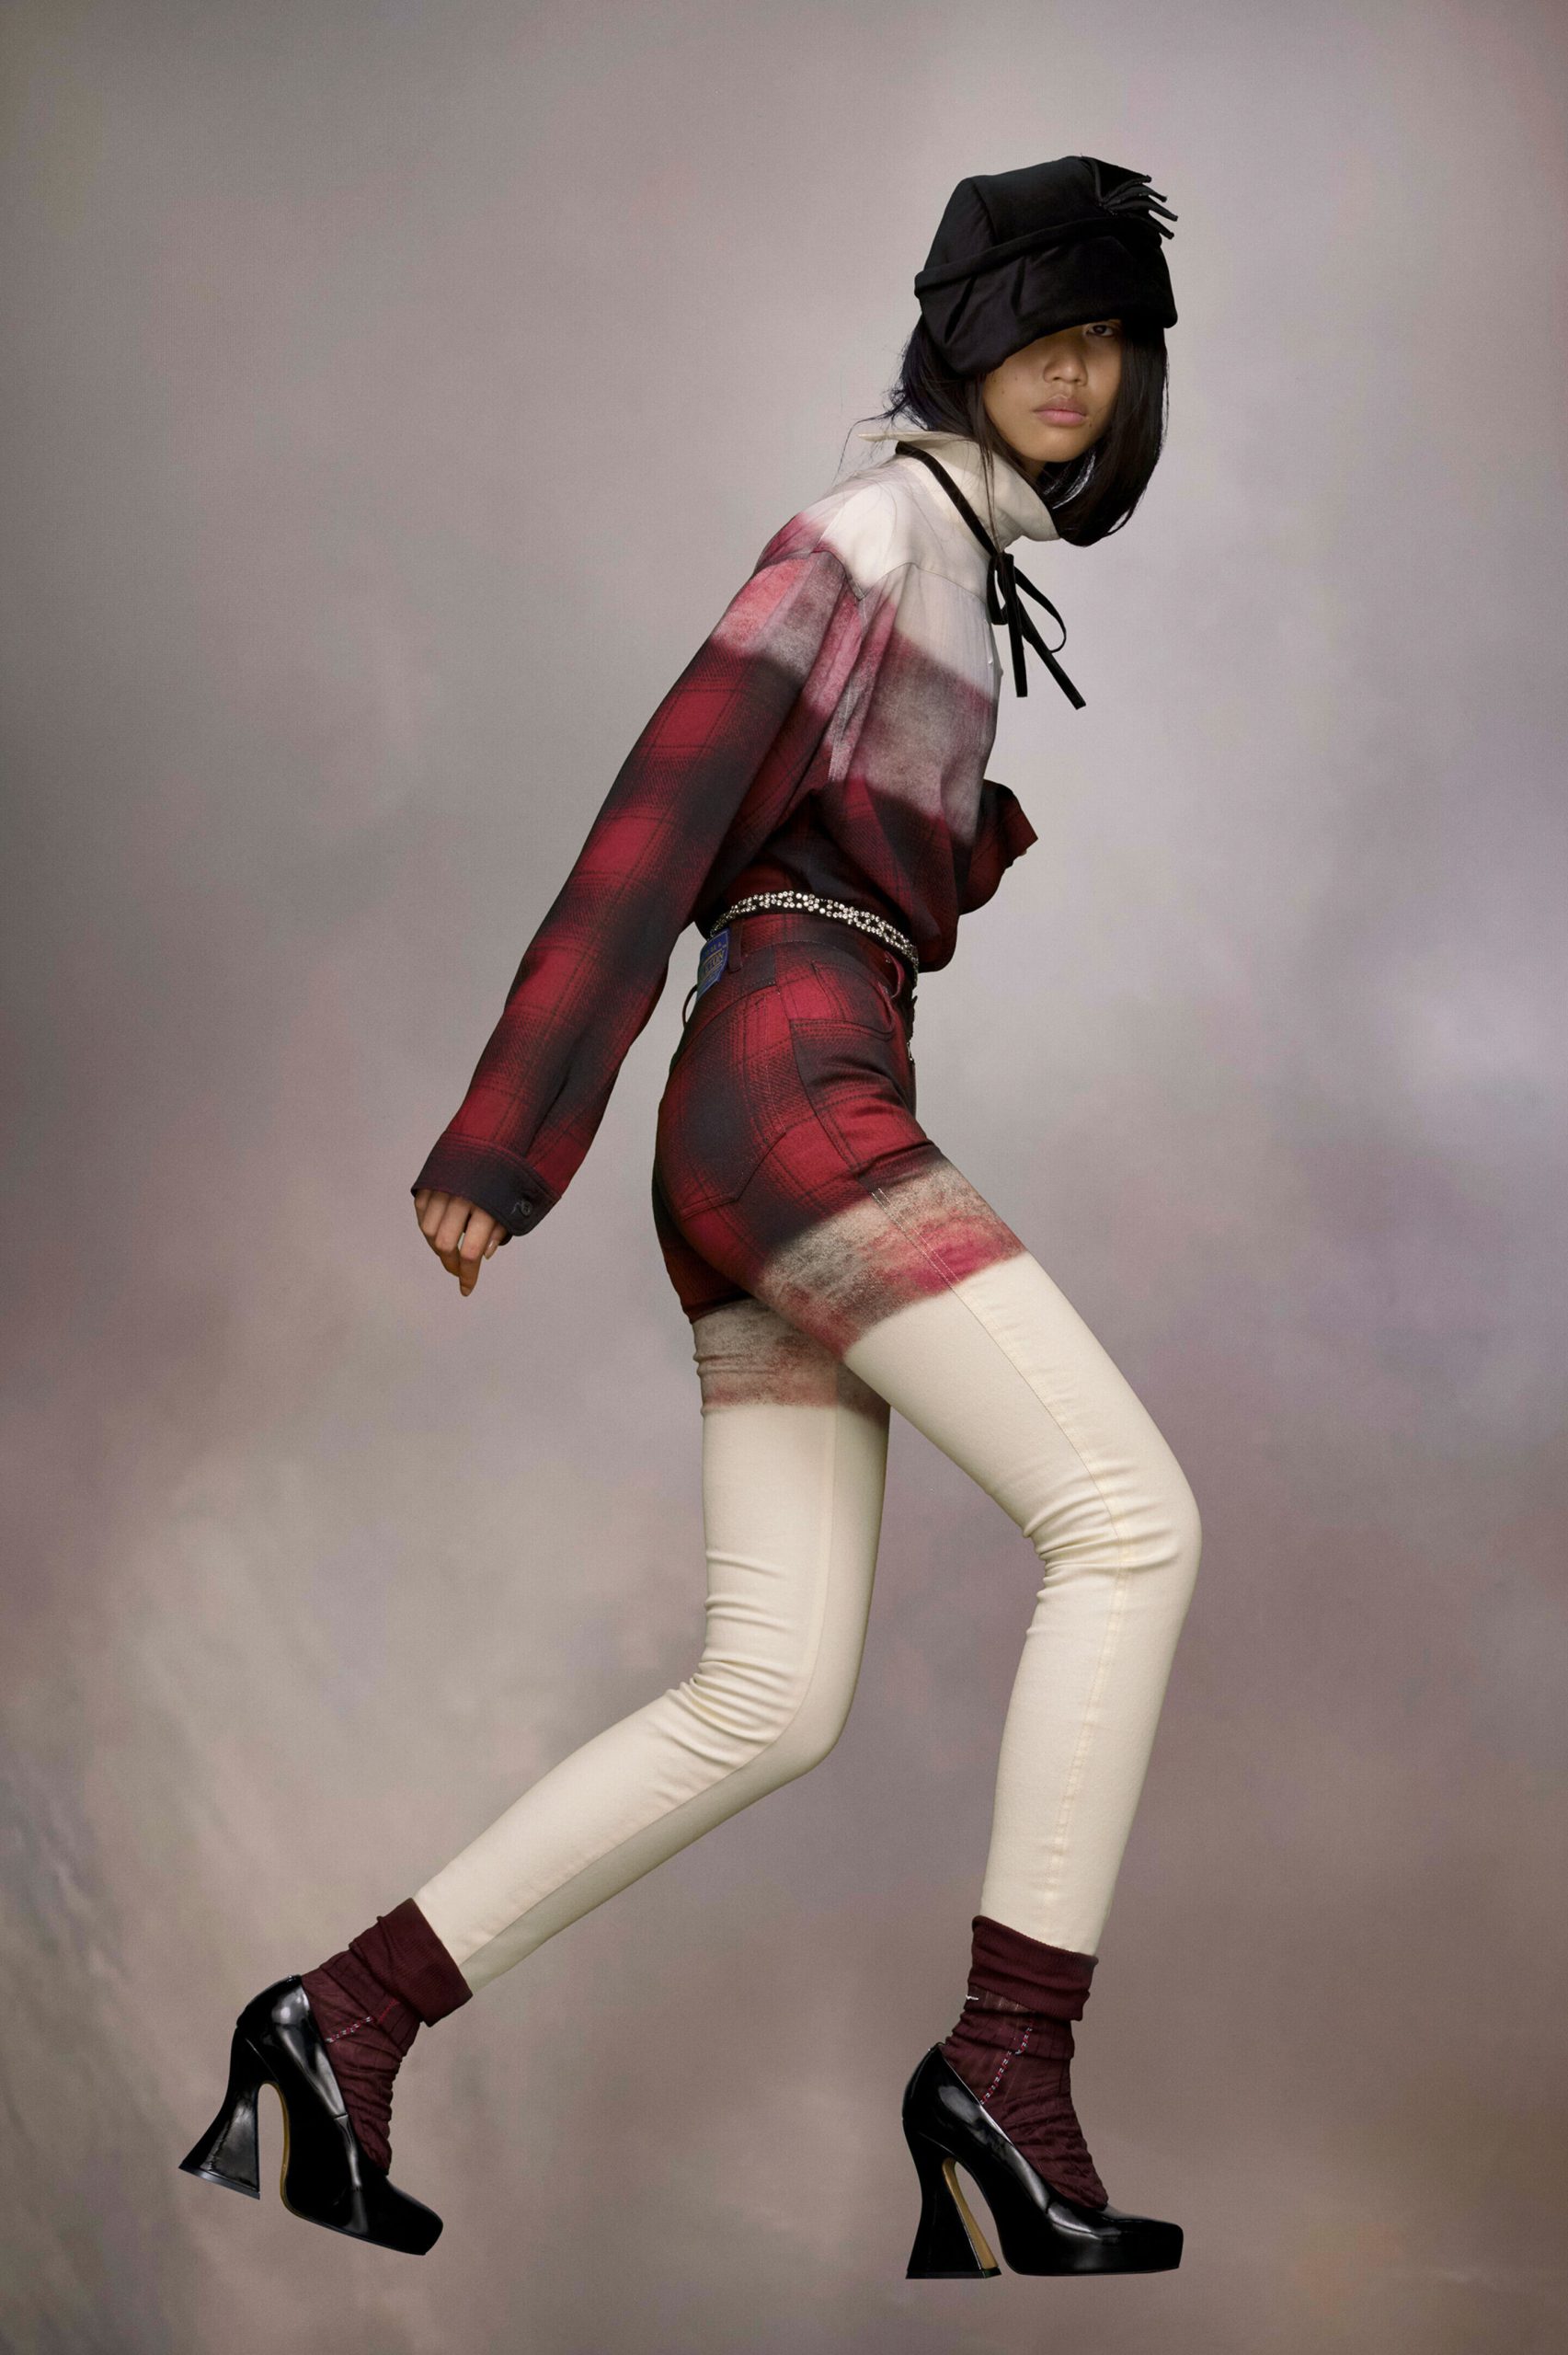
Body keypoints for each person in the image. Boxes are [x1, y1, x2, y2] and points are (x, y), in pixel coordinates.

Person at [179, 155, 1203, 2279]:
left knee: (768, 1693)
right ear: (964, 334)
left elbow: (819, 832)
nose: (1073, 371)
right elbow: (659, 816)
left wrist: (961, 840)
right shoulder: (869, 533)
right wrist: (504, 1137)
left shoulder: (954, 562)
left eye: (1108, 340)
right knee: (1129, 1520)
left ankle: (339, 2022)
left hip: (796, 1086)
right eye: (1041, 325)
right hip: (788, 1090)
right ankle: (1005, 2076)